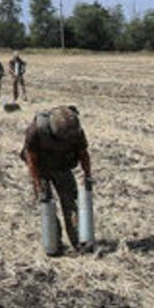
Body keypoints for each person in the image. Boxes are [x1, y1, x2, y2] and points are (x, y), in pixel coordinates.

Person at [21, 105, 93, 254]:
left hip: (62, 166)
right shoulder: (36, 131)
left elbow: (83, 154)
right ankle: (54, 243)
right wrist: (38, 184)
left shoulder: (75, 131)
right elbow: (31, 160)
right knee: (47, 204)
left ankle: (79, 240)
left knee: (70, 203)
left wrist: (87, 176)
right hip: (41, 167)